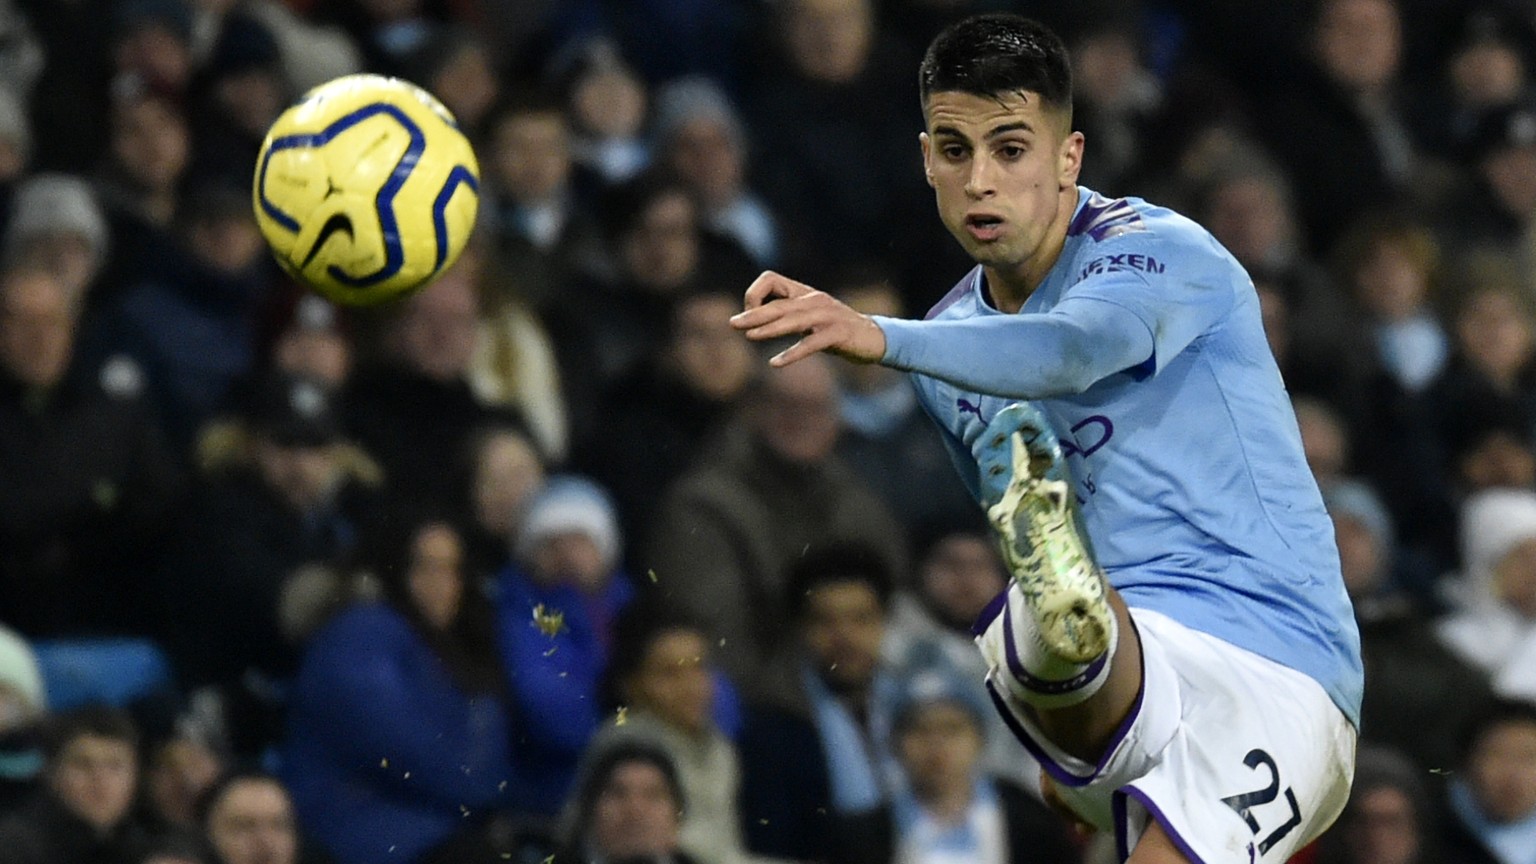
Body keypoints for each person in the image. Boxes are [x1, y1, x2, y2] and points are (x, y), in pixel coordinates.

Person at [730, 14, 1361, 863]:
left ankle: (1073, 647)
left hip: (1272, 665)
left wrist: (881, 336)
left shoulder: (1163, 252)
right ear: (927, 161)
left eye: (1012, 149)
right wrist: (1066, 759)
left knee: (1048, 621)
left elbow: (1070, 350)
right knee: (1034, 603)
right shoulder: (952, 351)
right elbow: (1006, 503)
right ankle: (1072, 645)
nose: (981, 180)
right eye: (956, 151)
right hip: (1129, 665)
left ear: (1069, 158)